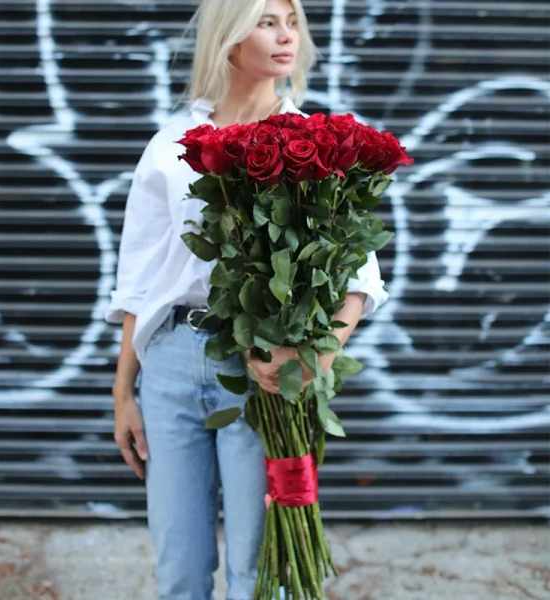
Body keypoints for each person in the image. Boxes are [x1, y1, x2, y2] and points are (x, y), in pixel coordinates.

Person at [104, 1, 389, 598]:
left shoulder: (318, 145)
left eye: (292, 23)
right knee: (178, 567)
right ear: (230, 37)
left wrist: (316, 357)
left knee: (258, 570)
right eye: (267, 22)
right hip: (171, 362)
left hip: (263, 368)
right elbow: (138, 280)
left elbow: (360, 279)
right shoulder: (171, 145)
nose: (287, 37)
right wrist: (124, 391)